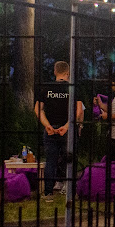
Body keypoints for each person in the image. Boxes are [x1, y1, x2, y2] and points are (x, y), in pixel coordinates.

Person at [34, 61, 83, 202]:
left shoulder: (46, 87)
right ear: (68, 73)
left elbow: (38, 109)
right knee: (70, 159)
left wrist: (47, 125)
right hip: (68, 130)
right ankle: (71, 191)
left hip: (51, 130)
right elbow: (79, 110)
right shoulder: (73, 88)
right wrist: (67, 126)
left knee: (51, 161)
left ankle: (48, 193)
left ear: (55, 72)